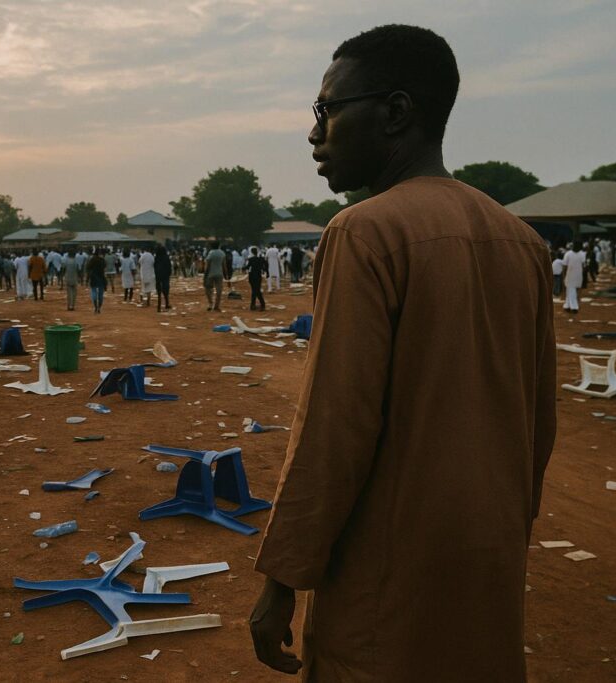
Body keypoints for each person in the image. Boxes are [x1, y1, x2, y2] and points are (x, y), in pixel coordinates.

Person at [250, 25, 556, 682]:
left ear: (394, 113)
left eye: (326, 111)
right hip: (487, 558)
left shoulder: (366, 232)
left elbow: (335, 426)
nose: (314, 134)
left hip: (389, 569)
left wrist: (282, 578)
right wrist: (503, 528)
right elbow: (538, 421)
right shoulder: (522, 242)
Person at [560, 243, 583, 313]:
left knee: (571, 290)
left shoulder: (569, 254)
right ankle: (570, 306)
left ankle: (571, 306)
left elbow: (564, 266)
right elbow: (564, 266)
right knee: (570, 290)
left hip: (574, 275)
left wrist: (563, 275)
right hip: (574, 275)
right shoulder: (579, 254)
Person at [204, 241, 226, 312]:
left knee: (208, 289)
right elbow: (224, 266)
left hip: (211, 274)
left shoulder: (211, 253)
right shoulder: (222, 253)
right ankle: (217, 306)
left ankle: (210, 303)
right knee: (219, 290)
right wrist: (226, 275)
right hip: (219, 274)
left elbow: (208, 265)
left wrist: (205, 275)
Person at [86, 248, 107, 314]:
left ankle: (95, 307)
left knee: (94, 292)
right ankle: (99, 308)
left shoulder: (92, 260)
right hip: (101, 277)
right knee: (100, 294)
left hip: (93, 278)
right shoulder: (102, 260)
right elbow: (104, 268)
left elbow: (88, 268)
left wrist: (87, 278)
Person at [247, 246, 267, 310]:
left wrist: (243, 268)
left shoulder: (251, 259)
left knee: (255, 290)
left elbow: (247, 267)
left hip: (252, 275)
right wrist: (266, 272)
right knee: (257, 290)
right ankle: (260, 304)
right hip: (258, 275)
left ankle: (254, 305)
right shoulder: (261, 259)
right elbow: (265, 265)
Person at [153, 244, 172, 312]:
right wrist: (169, 273)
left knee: (159, 292)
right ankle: (166, 303)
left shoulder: (156, 257)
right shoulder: (166, 257)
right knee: (165, 290)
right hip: (165, 276)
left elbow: (154, 266)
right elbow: (169, 266)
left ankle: (159, 307)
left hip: (158, 275)